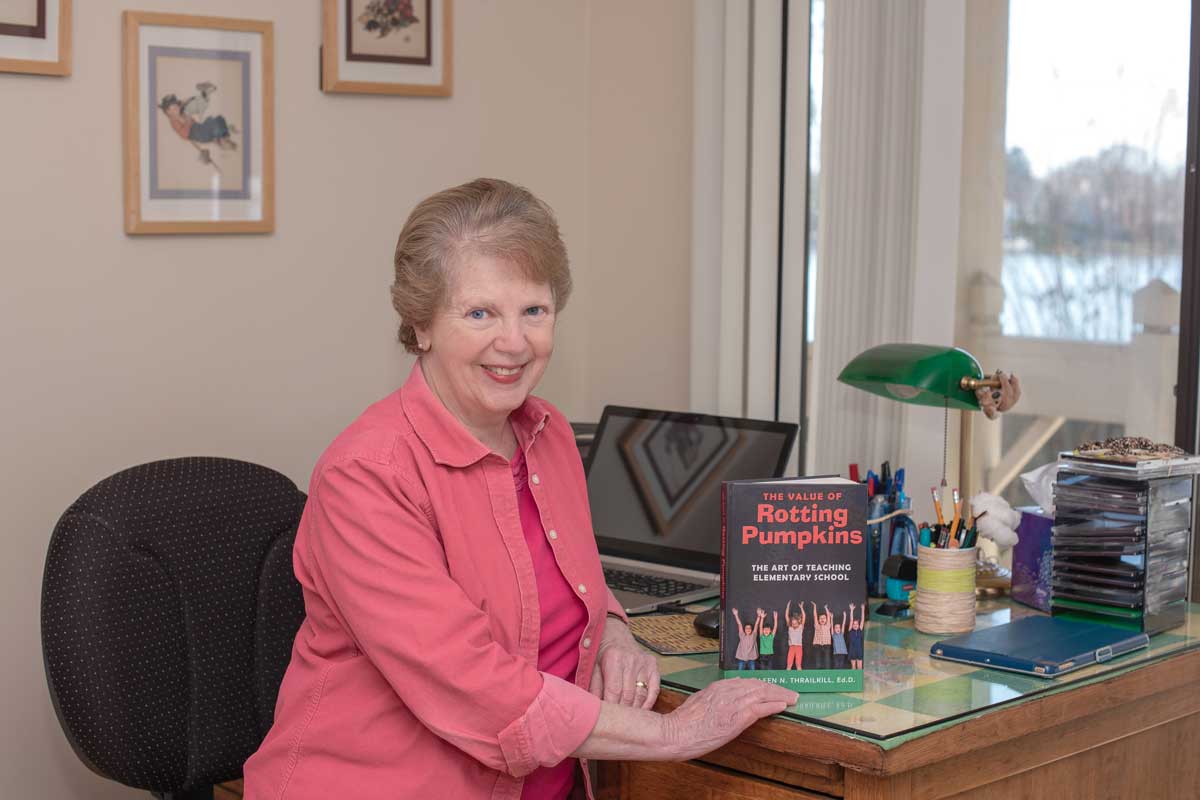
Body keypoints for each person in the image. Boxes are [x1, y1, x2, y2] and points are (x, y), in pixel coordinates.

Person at [242, 179, 797, 800]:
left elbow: (573, 580)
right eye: (480, 313)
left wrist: (614, 634)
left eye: (534, 310)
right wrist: (671, 736)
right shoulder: (367, 475)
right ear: (421, 325)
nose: (514, 343)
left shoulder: (547, 432)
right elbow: (471, 684)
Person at [810, 601, 833, 670]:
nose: (822, 619)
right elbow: (815, 615)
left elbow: (828, 616)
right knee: (818, 659)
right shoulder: (817, 625)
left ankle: (827, 670)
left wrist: (826, 608)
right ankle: (818, 671)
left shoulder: (828, 625)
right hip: (818, 644)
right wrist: (814, 606)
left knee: (827, 659)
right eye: (821, 618)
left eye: (824, 618)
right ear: (819, 620)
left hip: (826, 644)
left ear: (826, 620)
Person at [784, 600, 806, 670]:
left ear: (798, 622)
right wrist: (787, 607)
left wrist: (801, 608)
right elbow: (786, 616)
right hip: (791, 647)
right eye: (793, 623)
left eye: (795, 623)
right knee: (789, 664)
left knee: (798, 664)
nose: (794, 624)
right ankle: (787, 677)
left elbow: (804, 616)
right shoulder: (790, 627)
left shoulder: (800, 627)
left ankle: (799, 678)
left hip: (799, 647)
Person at [847, 602, 865, 670]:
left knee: (860, 667)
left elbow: (863, 619)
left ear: (858, 624)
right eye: (853, 624)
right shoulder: (850, 630)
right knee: (853, 667)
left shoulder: (860, 629)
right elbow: (851, 619)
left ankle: (858, 679)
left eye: (856, 624)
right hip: (852, 650)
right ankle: (854, 679)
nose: (855, 625)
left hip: (859, 650)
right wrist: (851, 610)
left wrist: (862, 610)